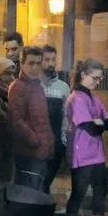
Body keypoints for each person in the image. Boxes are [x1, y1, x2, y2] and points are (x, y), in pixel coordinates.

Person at [64, 59, 108, 215]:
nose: (97, 82)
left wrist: (99, 123)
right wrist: (97, 122)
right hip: (81, 155)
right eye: (95, 78)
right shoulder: (76, 98)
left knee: (101, 192)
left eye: (100, 79)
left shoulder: (94, 98)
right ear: (83, 75)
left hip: (97, 154)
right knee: (78, 194)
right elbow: (90, 127)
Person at [7, 46, 54, 191]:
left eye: (38, 63)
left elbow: (43, 119)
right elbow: (16, 120)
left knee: (37, 191)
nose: (35, 67)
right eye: (31, 63)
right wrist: (35, 140)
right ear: (22, 64)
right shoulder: (18, 87)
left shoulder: (38, 86)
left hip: (41, 151)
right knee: (27, 193)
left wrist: (49, 141)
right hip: (28, 152)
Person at [41, 45, 70, 193]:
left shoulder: (63, 87)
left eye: (53, 59)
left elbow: (66, 115)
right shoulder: (34, 84)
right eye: (47, 59)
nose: (51, 63)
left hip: (56, 142)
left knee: (47, 182)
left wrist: (64, 141)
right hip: (37, 143)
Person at [0, 57, 17, 182]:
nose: (12, 78)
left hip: (9, 146)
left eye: (13, 74)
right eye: (7, 74)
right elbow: (2, 117)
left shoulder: (10, 93)